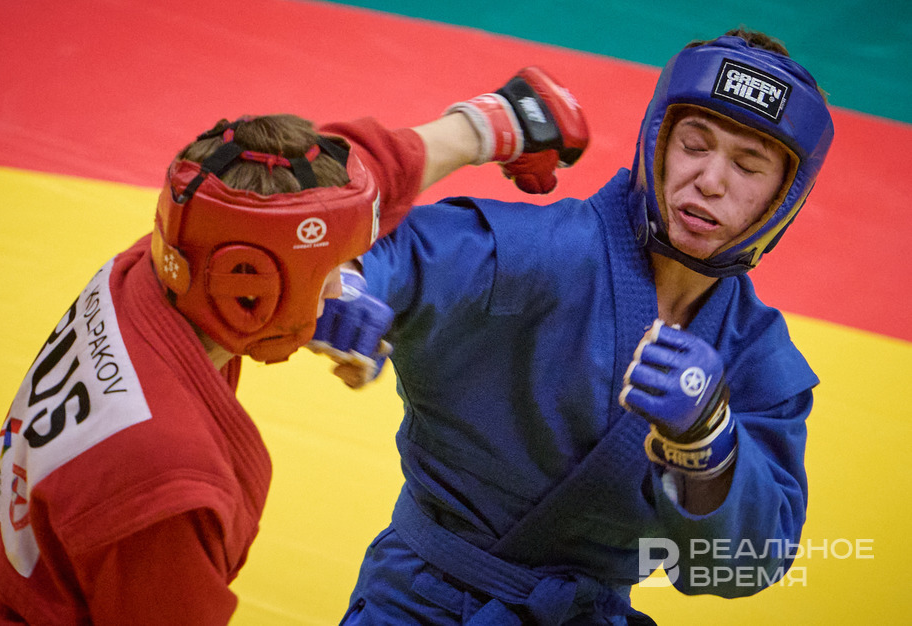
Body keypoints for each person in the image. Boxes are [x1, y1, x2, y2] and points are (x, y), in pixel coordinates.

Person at [0, 74, 589, 625]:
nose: (344, 285)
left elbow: (336, 184)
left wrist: (492, 124)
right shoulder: (170, 479)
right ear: (250, 293)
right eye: (332, 270)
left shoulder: (152, 268)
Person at [312, 28, 835, 625]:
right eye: (694, 145)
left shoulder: (759, 360)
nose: (711, 180)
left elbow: (745, 568)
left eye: (747, 165)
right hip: (420, 603)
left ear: (784, 197)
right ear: (658, 143)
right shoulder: (544, 253)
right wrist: (350, 280)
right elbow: (397, 251)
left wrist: (708, 448)